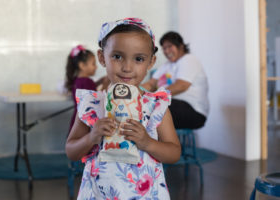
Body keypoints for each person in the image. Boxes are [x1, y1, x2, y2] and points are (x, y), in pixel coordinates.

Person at [65, 18, 181, 199]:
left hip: (146, 195)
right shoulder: (92, 104)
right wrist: (91, 137)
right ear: (102, 57)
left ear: (151, 62)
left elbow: (174, 153)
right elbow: (71, 151)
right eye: (117, 56)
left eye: (139, 59)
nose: (127, 67)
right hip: (98, 194)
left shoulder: (156, 106)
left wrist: (148, 143)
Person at [142, 31, 209, 129]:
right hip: (172, 104)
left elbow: (181, 86)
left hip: (193, 111)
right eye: (164, 48)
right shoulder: (166, 65)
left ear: (181, 46)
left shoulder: (188, 59)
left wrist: (152, 97)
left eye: (169, 46)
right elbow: (151, 84)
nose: (166, 51)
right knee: (141, 106)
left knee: (151, 107)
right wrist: (134, 91)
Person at [64, 45, 109, 132]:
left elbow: (86, 92)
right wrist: (105, 85)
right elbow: (95, 100)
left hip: (77, 120)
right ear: (82, 65)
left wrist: (98, 82)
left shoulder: (78, 80)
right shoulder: (87, 81)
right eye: (93, 64)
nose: (96, 67)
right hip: (86, 121)